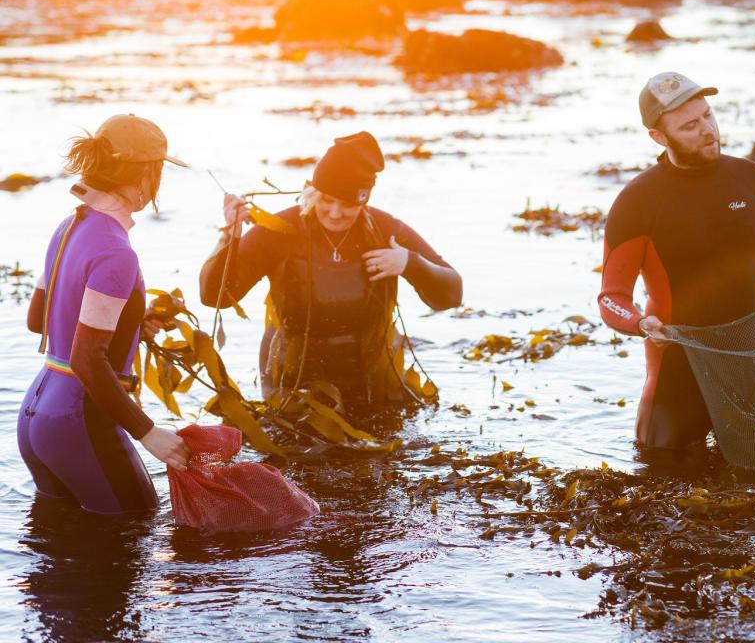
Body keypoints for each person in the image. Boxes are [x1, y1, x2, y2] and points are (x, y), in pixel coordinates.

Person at [598, 72, 755, 450]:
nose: (707, 130)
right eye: (689, 125)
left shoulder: (751, 180)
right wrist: (640, 323)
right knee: (660, 490)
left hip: (749, 371)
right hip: (675, 382)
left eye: (707, 115)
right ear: (658, 136)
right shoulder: (638, 201)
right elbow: (610, 297)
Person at [199, 131, 462, 410]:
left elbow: (451, 295)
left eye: (348, 204)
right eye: (326, 200)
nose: (335, 213)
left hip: (374, 383)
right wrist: (230, 235)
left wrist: (409, 263)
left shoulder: (386, 231)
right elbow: (215, 297)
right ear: (312, 191)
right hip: (292, 387)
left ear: (364, 199)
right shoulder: (279, 231)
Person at [20, 114, 190, 515]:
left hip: (36, 415)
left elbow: (38, 320)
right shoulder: (116, 250)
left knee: (61, 544)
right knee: (134, 532)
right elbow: (86, 359)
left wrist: (132, 322)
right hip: (79, 418)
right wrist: (150, 435)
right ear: (149, 174)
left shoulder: (67, 227)